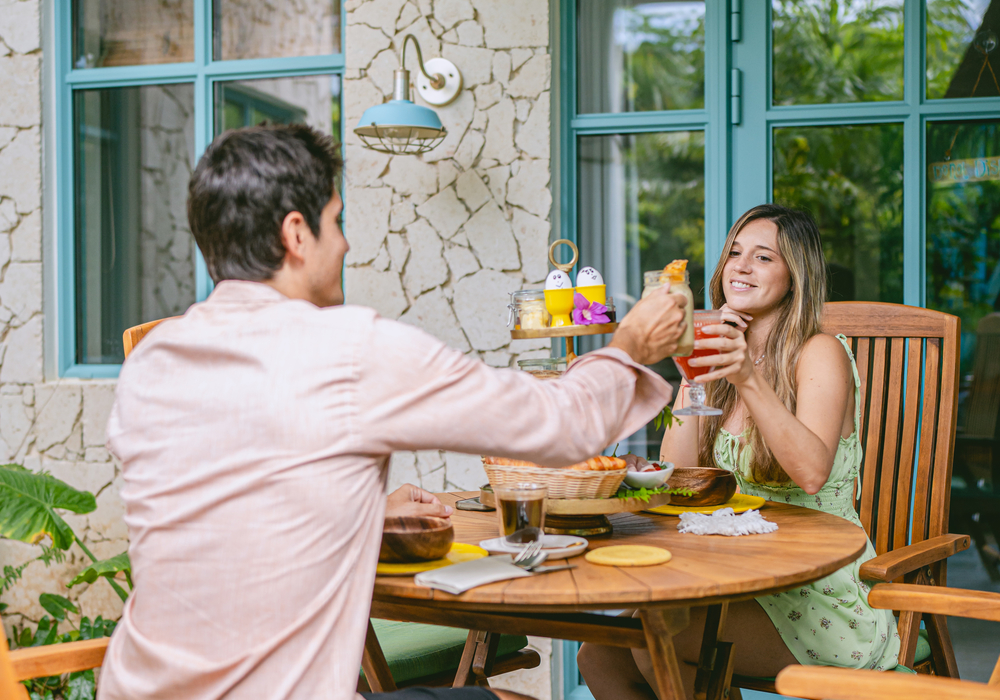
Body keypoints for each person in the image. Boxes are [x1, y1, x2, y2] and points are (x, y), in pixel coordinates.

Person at [96, 123, 690, 700]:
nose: (348, 243)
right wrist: (631, 346)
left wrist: (367, 511)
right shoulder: (350, 350)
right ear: (296, 234)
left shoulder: (153, 360)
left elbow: (230, 509)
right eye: (337, 221)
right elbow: (561, 425)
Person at [579, 204, 901, 700]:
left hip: (819, 592)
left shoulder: (820, 353)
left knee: (656, 637)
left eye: (763, 257)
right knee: (597, 653)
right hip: (739, 576)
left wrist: (747, 376)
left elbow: (811, 473)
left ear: (796, 275)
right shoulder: (726, 353)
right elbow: (679, 475)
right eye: (734, 253)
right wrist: (694, 378)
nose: (741, 267)